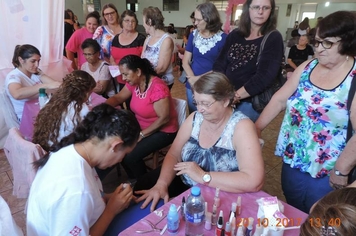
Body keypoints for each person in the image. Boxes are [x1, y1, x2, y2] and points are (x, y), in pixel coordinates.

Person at [255, 11, 356, 213]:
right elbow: (280, 99)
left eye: (327, 43)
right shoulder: (308, 66)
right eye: (316, 42)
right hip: (295, 157)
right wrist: (256, 129)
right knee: (293, 205)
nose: (318, 49)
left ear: (348, 42)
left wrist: (341, 169)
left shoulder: (353, 77)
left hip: (328, 167)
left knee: (321, 214)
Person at [135, 72, 264, 211]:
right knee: (143, 187)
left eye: (206, 104)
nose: (200, 109)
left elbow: (253, 180)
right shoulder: (195, 118)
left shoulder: (241, 127)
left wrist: (203, 176)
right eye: (197, 102)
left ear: (226, 101)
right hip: (186, 182)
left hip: (218, 191)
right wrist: (161, 184)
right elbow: (174, 153)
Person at [26, 103, 140, 235]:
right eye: (124, 154)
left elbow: (87, 201)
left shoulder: (74, 151)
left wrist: (111, 199)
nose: (121, 160)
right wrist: (111, 210)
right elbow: (79, 199)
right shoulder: (76, 191)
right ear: (115, 146)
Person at [106, 55, 178, 179]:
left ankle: (143, 182)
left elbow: (164, 118)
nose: (123, 78)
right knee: (119, 148)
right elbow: (118, 98)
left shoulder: (157, 88)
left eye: (126, 74)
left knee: (130, 156)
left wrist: (141, 135)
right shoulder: (135, 83)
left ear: (138, 72)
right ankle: (135, 179)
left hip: (163, 131)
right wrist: (102, 108)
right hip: (142, 126)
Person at [213, 0, 284, 122]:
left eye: (265, 8)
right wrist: (222, 91)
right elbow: (219, 63)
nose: (260, 11)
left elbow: (264, 77)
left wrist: (234, 96)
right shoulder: (235, 34)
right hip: (224, 95)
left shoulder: (273, 37)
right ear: (248, 9)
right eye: (256, 7)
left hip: (249, 102)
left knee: (239, 137)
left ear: (271, 11)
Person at [32, 70, 96, 152]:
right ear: (86, 93)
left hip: (46, 147)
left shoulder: (52, 100)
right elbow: (86, 134)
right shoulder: (80, 109)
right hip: (61, 151)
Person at [182, 2, 227, 113]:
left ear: (209, 19)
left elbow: (222, 67)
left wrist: (198, 79)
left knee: (210, 115)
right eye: (194, 20)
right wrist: (192, 80)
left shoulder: (223, 38)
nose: (195, 23)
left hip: (211, 85)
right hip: (191, 84)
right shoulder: (194, 35)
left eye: (198, 20)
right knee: (194, 114)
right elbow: (185, 61)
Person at [5, 44, 61, 121]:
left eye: (38, 61)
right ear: (21, 60)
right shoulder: (14, 76)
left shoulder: (36, 72)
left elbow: (55, 85)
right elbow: (17, 94)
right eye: (33, 61)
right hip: (28, 118)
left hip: (43, 111)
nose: (37, 65)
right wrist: (45, 86)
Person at [110, 10, 146, 99]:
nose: (130, 23)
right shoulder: (116, 38)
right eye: (127, 20)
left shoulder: (141, 39)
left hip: (135, 79)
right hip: (120, 78)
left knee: (134, 105)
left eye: (133, 21)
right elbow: (112, 56)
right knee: (123, 102)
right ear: (121, 22)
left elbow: (144, 59)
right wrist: (113, 64)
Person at [141, 6, 175, 89]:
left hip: (161, 82)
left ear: (149, 22)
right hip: (147, 79)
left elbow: (161, 68)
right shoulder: (148, 39)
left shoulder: (166, 40)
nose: (143, 24)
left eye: (143, 22)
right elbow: (142, 59)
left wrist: (143, 77)